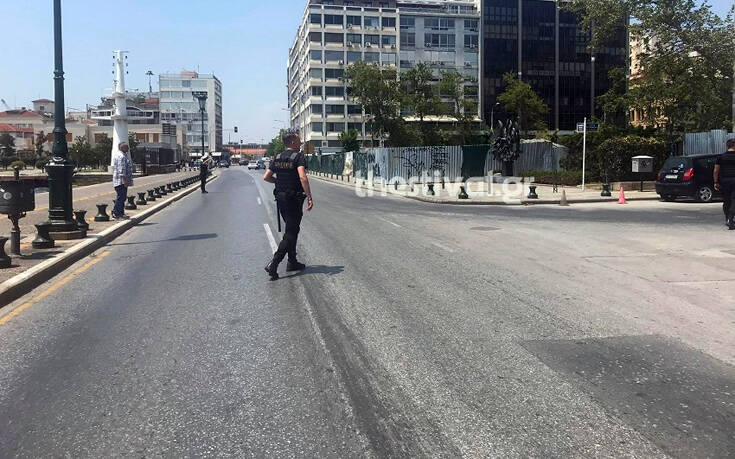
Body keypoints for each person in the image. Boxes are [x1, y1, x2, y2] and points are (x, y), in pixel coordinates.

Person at [263, 131, 314, 280]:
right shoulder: (298, 157)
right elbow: (302, 177)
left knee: (291, 230)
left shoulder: (277, 157)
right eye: (299, 140)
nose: (301, 142)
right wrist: (309, 196)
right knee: (291, 232)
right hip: (293, 199)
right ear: (292, 142)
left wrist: (278, 182)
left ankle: (292, 261)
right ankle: (274, 263)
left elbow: (266, 177)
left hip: (281, 199)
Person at [714, 138, 735, 230]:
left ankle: (727, 218)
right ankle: (731, 218)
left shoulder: (721, 157)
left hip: (725, 181)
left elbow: (716, 170)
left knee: (726, 200)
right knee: (734, 200)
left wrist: (715, 182)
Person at [112, 142, 133, 220]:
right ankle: (116, 213)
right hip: (120, 181)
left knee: (122, 197)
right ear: (122, 148)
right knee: (121, 198)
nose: (128, 148)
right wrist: (124, 180)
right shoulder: (121, 156)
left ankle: (121, 213)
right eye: (126, 147)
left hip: (120, 181)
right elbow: (122, 169)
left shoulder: (122, 155)